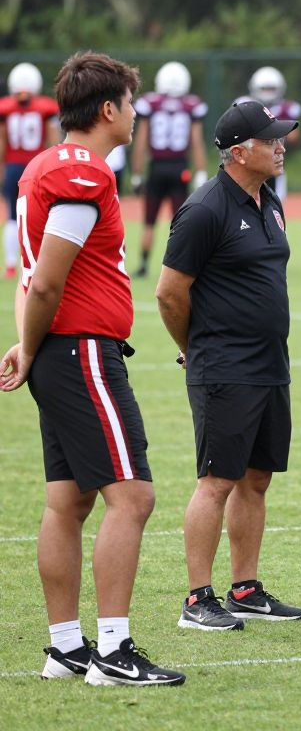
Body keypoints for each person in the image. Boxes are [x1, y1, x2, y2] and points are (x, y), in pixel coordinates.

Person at [0, 51, 184, 686]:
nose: (135, 115)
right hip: (81, 349)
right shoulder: (83, 172)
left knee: (68, 502)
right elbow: (47, 282)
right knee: (132, 497)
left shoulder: (43, 168)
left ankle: (64, 646)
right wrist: (34, 342)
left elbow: (31, 278)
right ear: (109, 109)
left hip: (56, 348)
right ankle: (112, 649)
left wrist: (27, 345)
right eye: (130, 104)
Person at [155, 101, 301, 632]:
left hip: (270, 364)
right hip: (224, 366)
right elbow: (170, 293)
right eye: (270, 140)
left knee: (256, 478)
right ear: (239, 152)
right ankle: (198, 600)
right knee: (216, 480)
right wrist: (195, 347)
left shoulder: (269, 200)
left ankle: (245, 589)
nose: (281, 145)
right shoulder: (204, 210)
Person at [130, 61, 208, 277]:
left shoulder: (151, 104)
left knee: (149, 221)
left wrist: (137, 174)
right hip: (180, 168)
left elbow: (141, 141)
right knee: (181, 223)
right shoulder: (191, 105)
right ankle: (182, 266)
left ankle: (144, 266)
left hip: (156, 167)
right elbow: (197, 141)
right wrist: (200, 172)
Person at [1, 62, 60, 277]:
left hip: (13, 166)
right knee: (42, 216)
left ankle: (10, 265)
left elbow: (1, 141)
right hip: (37, 168)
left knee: (11, 216)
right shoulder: (46, 107)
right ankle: (37, 263)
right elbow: (53, 141)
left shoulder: (5, 107)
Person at [234, 66, 301, 200]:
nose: (267, 93)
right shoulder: (245, 105)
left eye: (271, 89)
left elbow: (294, 137)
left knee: (275, 202)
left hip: (274, 165)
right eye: (264, 89)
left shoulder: (286, 108)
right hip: (249, 164)